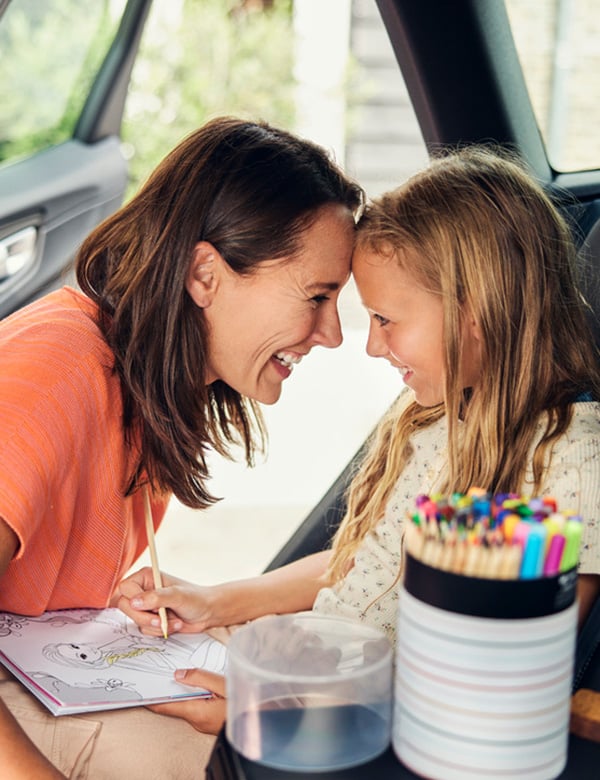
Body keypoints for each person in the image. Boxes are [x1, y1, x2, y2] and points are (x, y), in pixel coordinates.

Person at [117, 144, 600, 742]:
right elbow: (366, 569)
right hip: (317, 674)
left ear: (477, 309)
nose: (370, 346)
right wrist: (218, 601)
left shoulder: (567, 461)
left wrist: (291, 716)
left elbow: (504, 695)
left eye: (386, 320)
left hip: (369, 728)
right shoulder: (437, 420)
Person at [0, 116, 363, 779]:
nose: (334, 334)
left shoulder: (153, 396)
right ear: (205, 274)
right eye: (317, 296)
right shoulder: (59, 366)